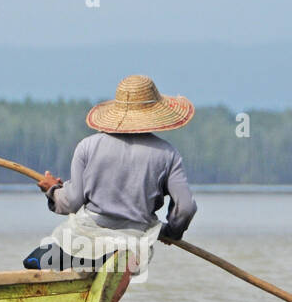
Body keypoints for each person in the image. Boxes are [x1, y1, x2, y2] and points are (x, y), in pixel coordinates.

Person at [24, 75, 197, 273]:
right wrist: (171, 232)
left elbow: (71, 202)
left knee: (33, 262)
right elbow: (185, 208)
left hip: (84, 240)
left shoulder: (87, 146)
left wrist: (52, 190)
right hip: (131, 246)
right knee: (111, 265)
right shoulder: (168, 154)